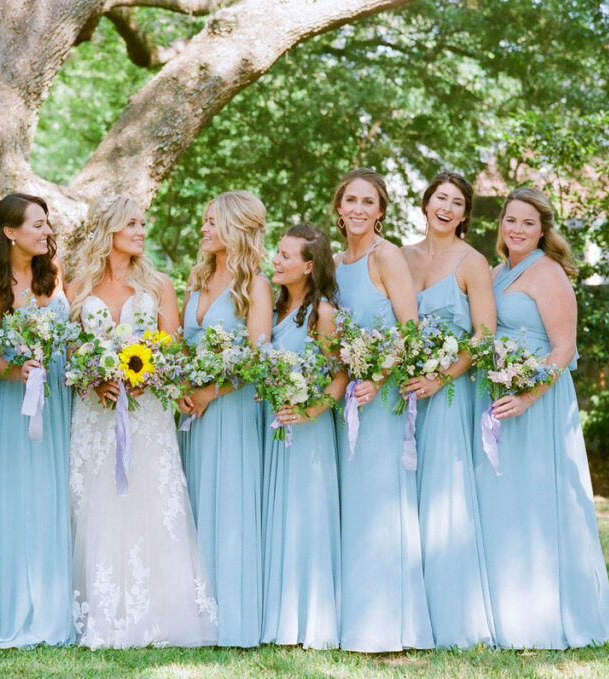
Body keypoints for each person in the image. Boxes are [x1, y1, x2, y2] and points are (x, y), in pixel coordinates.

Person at [67, 195, 218, 649]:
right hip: (96, 413)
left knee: (152, 499)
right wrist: (94, 380)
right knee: (99, 504)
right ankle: (106, 611)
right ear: (107, 228)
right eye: (131, 223)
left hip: (147, 410)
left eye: (142, 222)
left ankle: (160, 612)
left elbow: (172, 347)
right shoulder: (77, 285)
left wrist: (143, 375)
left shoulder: (158, 285)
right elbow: (72, 349)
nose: (141, 230)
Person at [474, 186, 609, 648]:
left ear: (542, 231)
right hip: (497, 398)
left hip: (537, 403)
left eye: (527, 223)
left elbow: (564, 348)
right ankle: (506, 610)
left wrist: (528, 397)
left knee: (537, 501)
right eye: (510, 220)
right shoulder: (496, 271)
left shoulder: (549, 273)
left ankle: (546, 616)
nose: (516, 229)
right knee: (503, 503)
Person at [332, 168, 433, 652]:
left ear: (381, 211)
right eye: (350, 200)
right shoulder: (331, 262)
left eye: (367, 202)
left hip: (381, 396)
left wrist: (375, 376)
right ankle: (356, 618)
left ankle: (393, 626)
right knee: (353, 507)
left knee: (381, 503)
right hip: (344, 398)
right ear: (337, 207)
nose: (357, 209)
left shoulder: (386, 255)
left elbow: (408, 327)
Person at [0, 193, 74, 647]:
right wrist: (18, 370)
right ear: (10, 232)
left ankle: (60, 601)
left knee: (56, 491)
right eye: (37, 224)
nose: (46, 231)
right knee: (23, 495)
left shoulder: (53, 274)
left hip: (59, 397)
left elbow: (70, 337)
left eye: (47, 223)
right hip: (19, 405)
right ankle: (22, 607)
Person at [401, 172, 495, 648]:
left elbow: (484, 336)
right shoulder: (399, 256)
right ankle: (404, 611)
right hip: (398, 395)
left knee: (442, 499)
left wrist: (441, 376)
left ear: (464, 215)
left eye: (458, 203)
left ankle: (450, 619)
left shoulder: (472, 262)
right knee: (401, 500)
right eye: (441, 198)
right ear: (426, 203)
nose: (448, 207)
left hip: (446, 394)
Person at [179, 190, 272, 647]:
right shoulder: (196, 280)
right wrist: (182, 387)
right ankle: (194, 614)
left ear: (234, 226)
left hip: (232, 409)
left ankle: (232, 618)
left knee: (229, 506)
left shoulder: (256, 285)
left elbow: (258, 358)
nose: (204, 229)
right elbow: (179, 345)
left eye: (211, 222)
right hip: (194, 411)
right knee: (194, 504)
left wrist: (211, 391)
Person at [260, 223, 346, 649]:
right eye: (277, 252)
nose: (276, 260)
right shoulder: (274, 309)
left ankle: (311, 621)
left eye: (286, 256)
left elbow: (340, 376)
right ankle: (278, 617)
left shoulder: (323, 313)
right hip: (275, 426)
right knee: (279, 517)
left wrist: (310, 412)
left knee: (307, 518)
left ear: (309, 266)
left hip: (308, 432)